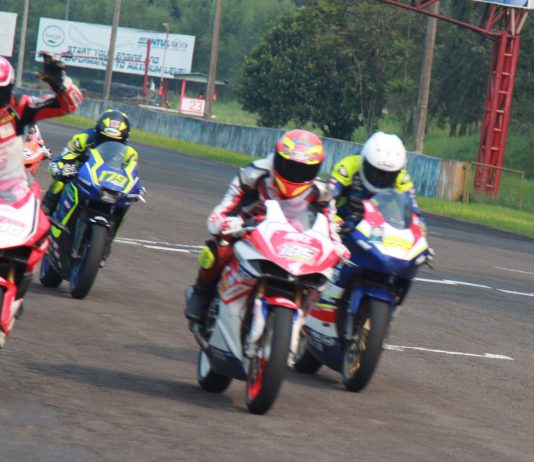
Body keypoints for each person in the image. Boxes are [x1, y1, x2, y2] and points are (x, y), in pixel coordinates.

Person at [185, 128, 350, 324]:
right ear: (278, 158)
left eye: (304, 170)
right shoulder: (253, 174)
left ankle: (303, 324)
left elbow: (330, 223)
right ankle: (202, 293)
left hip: (294, 239)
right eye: (289, 166)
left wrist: (337, 244)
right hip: (250, 227)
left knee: (326, 270)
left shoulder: (322, 192)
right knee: (220, 247)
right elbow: (222, 210)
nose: (296, 174)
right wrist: (227, 222)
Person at [320, 131, 434, 310]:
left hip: (379, 226)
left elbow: (414, 211)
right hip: (346, 220)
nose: (379, 178)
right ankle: (322, 292)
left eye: (387, 175)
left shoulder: (402, 178)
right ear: (365, 161)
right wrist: (333, 223)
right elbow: (328, 198)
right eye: (374, 171)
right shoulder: (348, 166)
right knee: (324, 242)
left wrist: (421, 237)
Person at [0, 52, 82, 199]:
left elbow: (70, 104)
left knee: (37, 209)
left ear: (8, 88)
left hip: (11, 188)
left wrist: (61, 83)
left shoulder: (21, 106)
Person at [41, 109, 137, 216]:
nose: (109, 143)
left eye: (116, 141)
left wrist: (135, 187)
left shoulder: (129, 153)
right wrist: (61, 170)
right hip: (81, 172)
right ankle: (47, 206)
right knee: (59, 182)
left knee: (124, 200)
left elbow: (131, 174)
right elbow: (62, 160)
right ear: (97, 132)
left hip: (106, 181)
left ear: (124, 140)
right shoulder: (82, 139)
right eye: (104, 138)